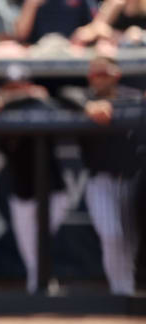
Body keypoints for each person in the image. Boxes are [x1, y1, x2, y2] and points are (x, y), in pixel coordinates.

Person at [0, 63, 69, 293]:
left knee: (40, 246)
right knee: (30, 251)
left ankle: (40, 290)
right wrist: (3, 101)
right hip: (22, 191)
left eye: (20, 86)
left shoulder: (40, 103)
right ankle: (40, 291)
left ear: (30, 85)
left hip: (53, 191)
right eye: (10, 86)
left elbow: (53, 102)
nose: (15, 90)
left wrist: (6, 100)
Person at [58, 54, 142, 295]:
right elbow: (65, 93)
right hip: (101, 180)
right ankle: (121, 292)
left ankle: (129, 290)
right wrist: (89, 106)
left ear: (116, 75)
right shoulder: (84, 98)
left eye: (103, 73)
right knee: (112, 234)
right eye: (93, 74)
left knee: (131, 240)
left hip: (131, 180)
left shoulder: (131, 98)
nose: (97, 79)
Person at [13, 0, 95, 45]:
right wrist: (31, 4)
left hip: (72, 49)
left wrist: (86, 32)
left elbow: (95, 27)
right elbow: (20, 35)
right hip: (38, 50)